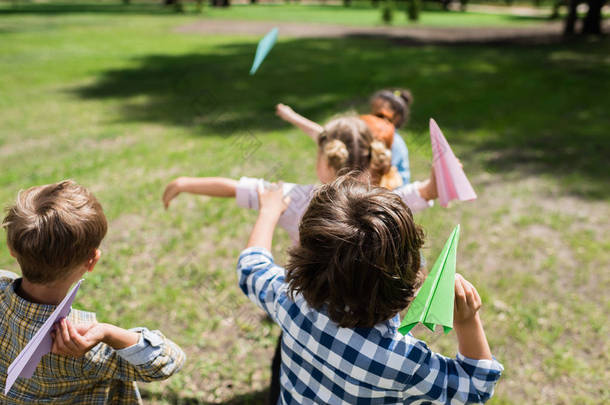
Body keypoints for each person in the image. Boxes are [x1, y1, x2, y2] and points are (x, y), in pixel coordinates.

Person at [237, 174, 503, 404]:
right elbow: (475, 387)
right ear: (407, 273)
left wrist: (268, 212)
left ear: (305, 257)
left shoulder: (288, 301)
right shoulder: (403, 362)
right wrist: (467, 321)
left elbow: (250, 266)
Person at [1, 180, 185, 404]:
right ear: (92, 260)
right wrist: (108, 333)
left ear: (11, 248)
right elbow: (169, 361)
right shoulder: (83, 343)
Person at [162, 115, 437, 244]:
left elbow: (236, 189)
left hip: (310, 310)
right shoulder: (387, 203)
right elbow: (427, 191)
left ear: (325, 161)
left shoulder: (296, 199)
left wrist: (184, 183)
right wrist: (441, 168)